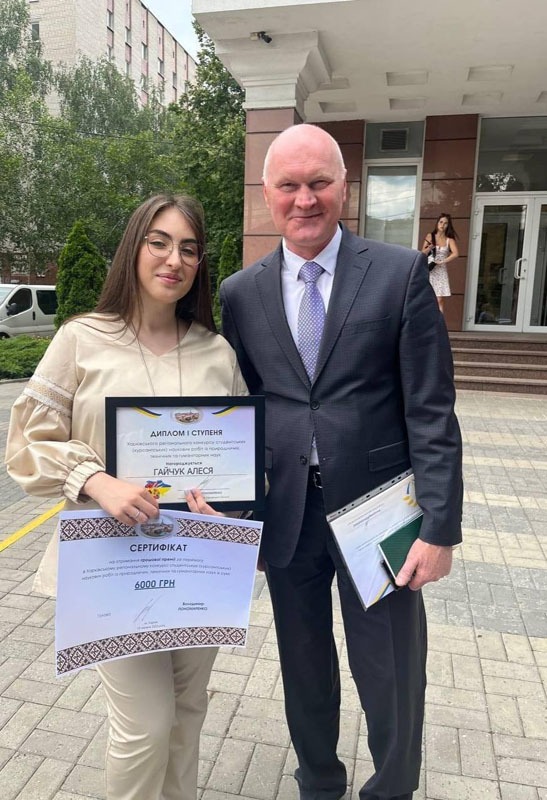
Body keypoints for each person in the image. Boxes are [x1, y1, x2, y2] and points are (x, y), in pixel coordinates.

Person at [220, 124, 463, 800]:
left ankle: (391, 788)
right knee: (303, 665)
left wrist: (439, 528)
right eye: (289, 186)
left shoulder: (399, 273)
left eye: (318, 183)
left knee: (390, 669)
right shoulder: (240, 293)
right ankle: (319, 783)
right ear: (267, 193)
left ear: (344, 187)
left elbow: (431, 409)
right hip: (287, 515)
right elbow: (245, 410)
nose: (305, 199)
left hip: (382, 512)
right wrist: (241, 517)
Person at [5, 194, 247, 800]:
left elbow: (243, 454)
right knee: (145, 726)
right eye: (158, 242)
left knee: (187, 714)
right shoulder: (81, 339)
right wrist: (94, 478)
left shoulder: (217, 351)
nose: (174, 259)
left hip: (199, 558)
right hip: (112, 562)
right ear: (133, 249)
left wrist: (233, 506)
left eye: (188, 248)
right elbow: (26, 444)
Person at [422, 212, 459, 314]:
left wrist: (442, 261)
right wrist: (429, 247)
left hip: (441, 270)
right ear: (437, 223)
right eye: (441, 222)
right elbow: (422, 253)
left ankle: (439, 321)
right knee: (427, 298)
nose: (442, 225)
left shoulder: (449, 240)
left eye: (445, 223)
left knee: (439, 299)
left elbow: (456, 254)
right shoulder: (430, 236)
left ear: (448, 225)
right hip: (429, 269)